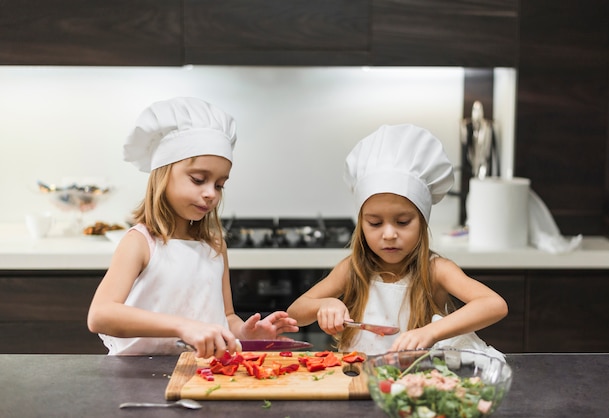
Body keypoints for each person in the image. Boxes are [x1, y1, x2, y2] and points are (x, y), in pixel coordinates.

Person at [87, 97, 298, 358]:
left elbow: (226, 316)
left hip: (204, 373)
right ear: (163, 176)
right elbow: (100, 315)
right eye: (199, 180)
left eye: (220, 185)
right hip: (138, 376)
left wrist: (244, 333)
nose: (211, 193)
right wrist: (182, 326)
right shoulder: (141, 242)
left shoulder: (214, 245)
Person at [287, 124, 508, 356]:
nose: (389, 234)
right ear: (361, 224)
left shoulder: (436, 270)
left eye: (402, 222)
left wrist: (431, 332)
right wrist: (324, 305)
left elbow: (494, 304)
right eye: (374, 223)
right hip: (358, 380)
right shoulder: (352, 269)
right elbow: (295, 312)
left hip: (417, 381)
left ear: (422, 223)